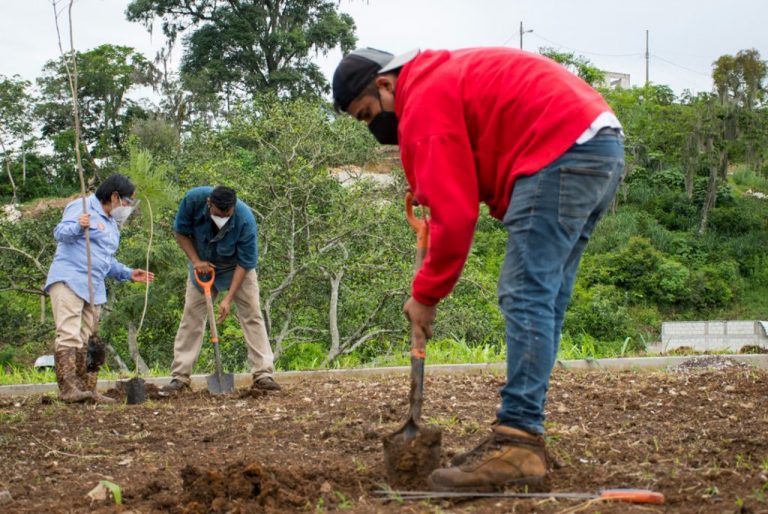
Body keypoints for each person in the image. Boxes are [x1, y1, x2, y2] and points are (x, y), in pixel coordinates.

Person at [332, 47, 625, 491]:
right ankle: (524, 434)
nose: (375, 128)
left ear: (385, 84)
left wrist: (426, 295)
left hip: (561, 148)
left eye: (368, 114)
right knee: (545, 298)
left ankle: (519, 442)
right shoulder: (443, 78)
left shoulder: (422, 99)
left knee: (525, 292)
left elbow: (456, 214)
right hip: (598, 144)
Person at [45, 174, 155, 403]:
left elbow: (105, 260)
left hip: (94, 286)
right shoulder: (83, 206)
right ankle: (69, 389)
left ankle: (88, 389)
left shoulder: (112, 224)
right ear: (114, 197)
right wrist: (79, 225)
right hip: (70, 279)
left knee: (89, 338)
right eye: (127, 201)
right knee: (69, 333)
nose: (128, 207)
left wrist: (127, 273)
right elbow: (60, 232)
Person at [163, 186, 279, 392]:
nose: (223, 218)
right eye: (218, 213)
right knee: (191, 317)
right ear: (209, 203)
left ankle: (263, 374)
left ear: (233, 207)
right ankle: (180, 377)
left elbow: (245, 262)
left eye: (227, 214)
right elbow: (180, 233)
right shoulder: (193, 200)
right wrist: (196, 261)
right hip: (203, 266)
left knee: (252, 314)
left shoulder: (245, 219)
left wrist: (228, 298)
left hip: (237, 268)